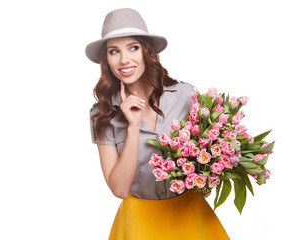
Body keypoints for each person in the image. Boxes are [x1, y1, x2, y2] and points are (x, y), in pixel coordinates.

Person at [86, 8, 230, 240]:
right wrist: (132, 127)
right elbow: (120, 189)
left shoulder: (185, 95)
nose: (124, 59)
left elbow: (205, 175)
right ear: (107, 60)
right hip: (138, 224)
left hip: (190, 216)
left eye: (133, 47)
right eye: (114, 51)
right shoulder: (103, 114)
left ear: (146, 51)